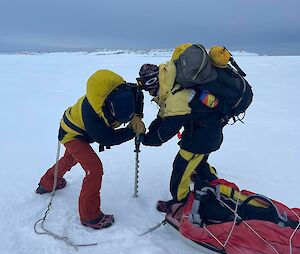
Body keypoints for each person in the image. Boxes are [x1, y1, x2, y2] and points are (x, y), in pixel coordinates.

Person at [36, 69, 146, 229]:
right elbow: (107, 138)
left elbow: (138, 94)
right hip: (71, 134)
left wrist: (137, 116)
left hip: (79, 129)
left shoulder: (125, 92)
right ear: (109, 107)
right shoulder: (91, 113)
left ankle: (47, 183)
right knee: (94, 169)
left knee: (70, 158)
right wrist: (131, 131)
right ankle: (90, 216)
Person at [136, 55, 225, 213]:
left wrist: (149, 140)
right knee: (199, 160)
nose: (149, 93)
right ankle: (211, 180)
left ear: (153, 82)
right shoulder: (171, 87)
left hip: (202, 136)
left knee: (181, 166)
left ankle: (180, 203)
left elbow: (167, 130)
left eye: (148, 88)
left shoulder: (177, 97)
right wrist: (149, 131)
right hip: (207, 131)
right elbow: (163, 116)